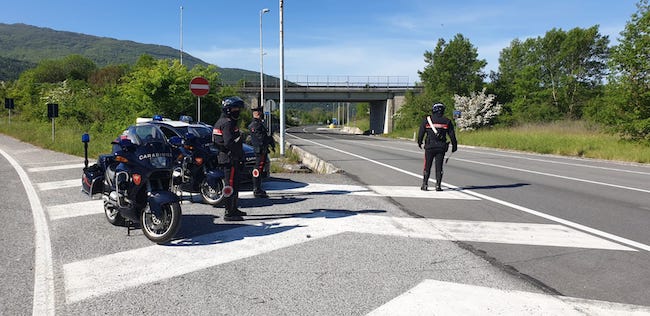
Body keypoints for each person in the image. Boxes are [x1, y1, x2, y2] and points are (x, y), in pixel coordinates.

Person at [213, 96, 247, 221]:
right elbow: (229, 143)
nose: (237, 111)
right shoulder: (227, 123)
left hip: (230, 158)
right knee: (230, 185)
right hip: (230, 158)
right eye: (235, 108)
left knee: (235, 184)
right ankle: (229, 212)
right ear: (228, 109)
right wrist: (238, 153)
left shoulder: (223, 121)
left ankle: (234, 208)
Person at [417, 102, 458, 191]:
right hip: (441, 147)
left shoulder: (427, 120)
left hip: (429, 146)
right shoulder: (447, 121)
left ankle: (425, 184)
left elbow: (421, 133)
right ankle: (438, 185)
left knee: (427, 165)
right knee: (439, 166)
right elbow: (452, 136)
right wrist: (454, 146)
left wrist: (419, 142)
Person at [248, 106, 275, 198]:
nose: (260, 114)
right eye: (259, 112)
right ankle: (257, 189)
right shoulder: (256, 125)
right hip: (260, 150)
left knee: (259, 168)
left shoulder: (258, 124)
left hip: (260, 149)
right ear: (257, 113)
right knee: (258, 169)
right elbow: (261, 139)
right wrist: (268, 141)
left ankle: (258, 188)